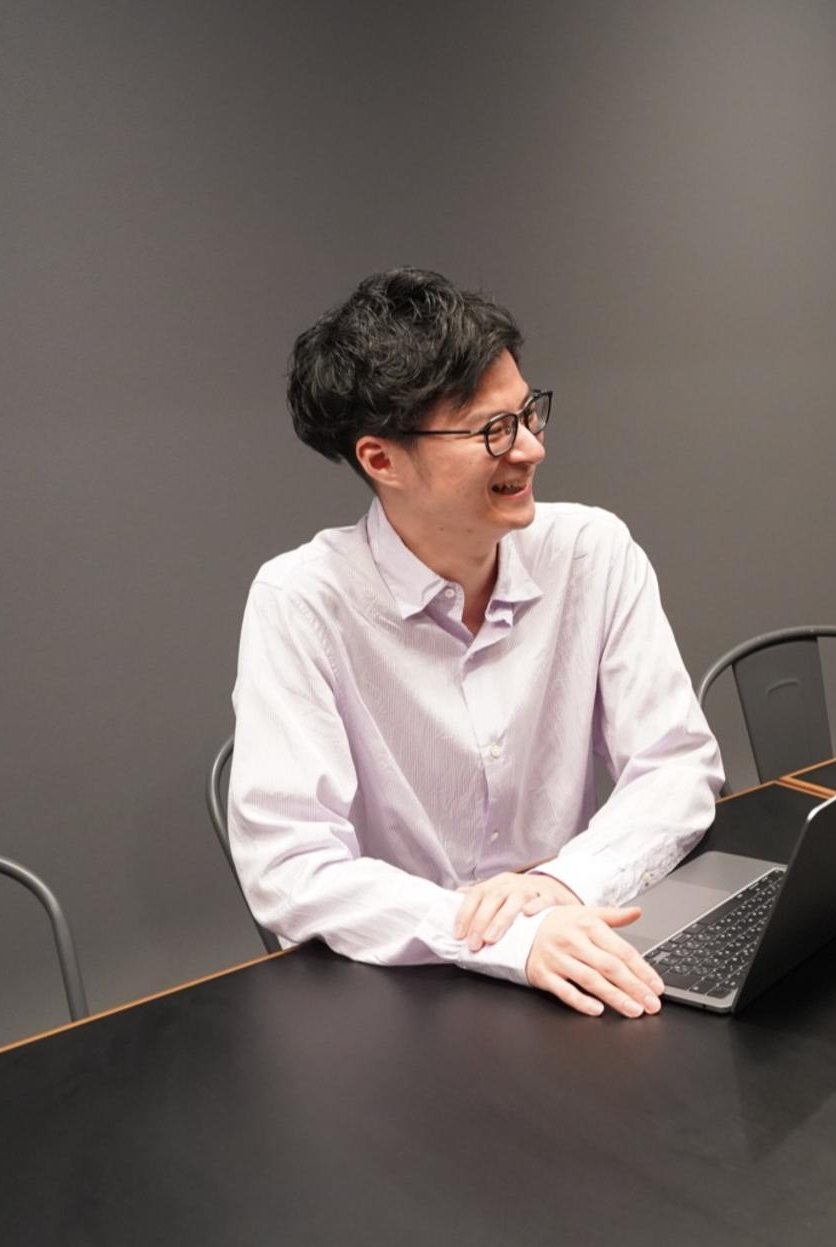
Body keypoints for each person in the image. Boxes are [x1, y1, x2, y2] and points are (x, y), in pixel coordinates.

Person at [227, 267, 722, 1019]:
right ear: (381, 460)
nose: (530, 449)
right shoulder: (302, 602)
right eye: (493, 431)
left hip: (581, 942)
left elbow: (676, 765)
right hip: (410, 994)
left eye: (528, 414)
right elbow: (291, 867)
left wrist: (563, 885)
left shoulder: (591, 550)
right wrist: (501, 935)